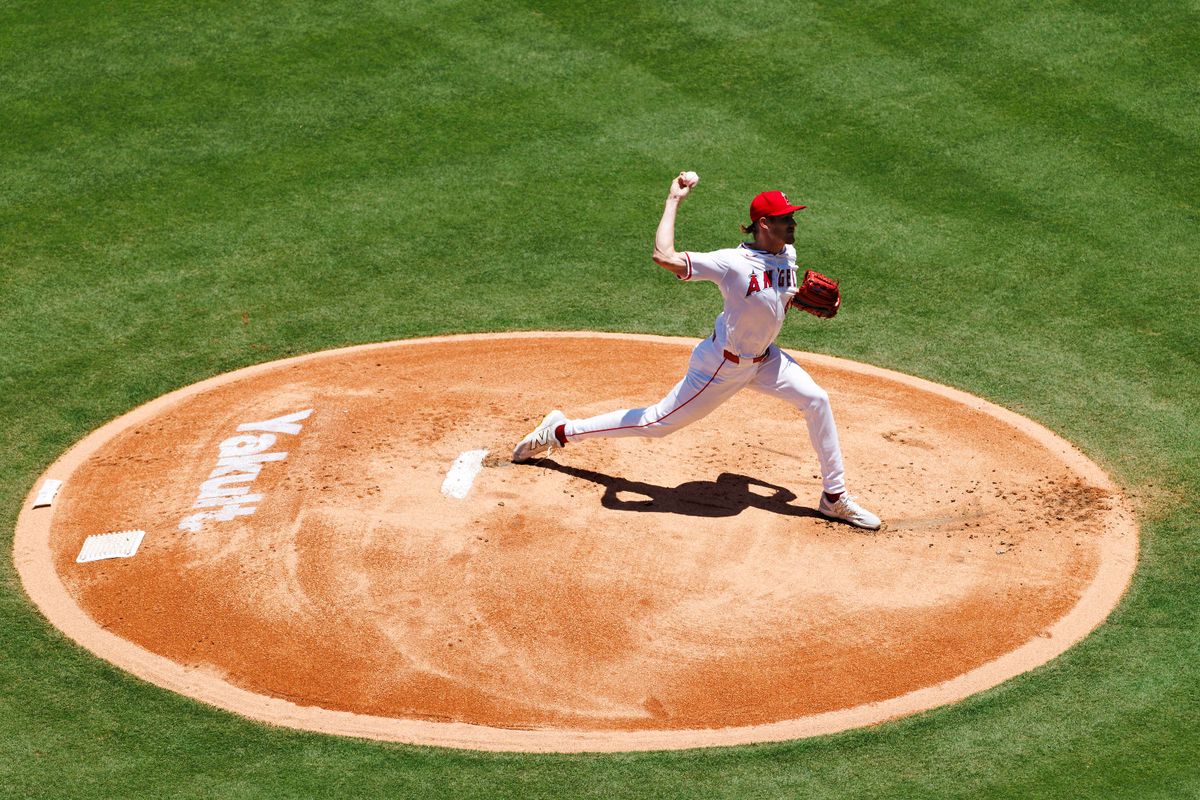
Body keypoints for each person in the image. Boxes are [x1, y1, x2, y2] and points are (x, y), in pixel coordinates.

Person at [512, 172, 882, 530]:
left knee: (816, 399)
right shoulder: (730, 263)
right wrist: (674, 200)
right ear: (764, 224)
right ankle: (559, 431)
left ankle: (834, 498)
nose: (793, 225)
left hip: (766, 361)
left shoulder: (788, 255)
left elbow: (773, 299)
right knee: (655, 424)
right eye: (786, 219)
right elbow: (663, 255)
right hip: (723, 367)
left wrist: (795, 300)